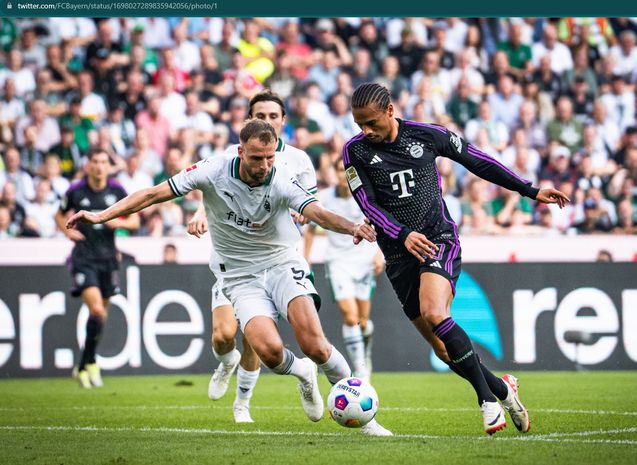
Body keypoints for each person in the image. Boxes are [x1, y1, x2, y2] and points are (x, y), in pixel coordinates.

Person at [66, 119, 392, 436]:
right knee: (270, 352)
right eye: (256, 158)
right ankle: (303, 374)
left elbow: (316, 212)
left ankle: (366, 419)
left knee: (316, 346)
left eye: (269, 157)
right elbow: (154, 194)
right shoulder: (212, 170)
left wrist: (352, 226)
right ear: (240, 151)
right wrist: (101, 216)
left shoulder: (281, 179)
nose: (264, 165)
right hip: (240, 276)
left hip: (281, 262)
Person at [345, 83, 569, 435]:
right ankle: (501, 388)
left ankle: (486, 401)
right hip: (398, 254)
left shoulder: (427, 135)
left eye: (371, 122)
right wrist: (402, 234)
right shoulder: (354, 151)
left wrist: (529, 189)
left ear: (390, 110)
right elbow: (367, 204)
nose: (366, 131)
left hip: (438, 239)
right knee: (443, 350)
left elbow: (478, 160)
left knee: (436, 313)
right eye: (360, 125)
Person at [187, 89, 317, 424]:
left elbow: (311, 209)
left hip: (275, 259)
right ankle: (226, 361)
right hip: (233, 259)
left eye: (274, 116)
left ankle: (242, 403)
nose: (268, 121)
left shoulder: (300, 160)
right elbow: (213, 187)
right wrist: (201, 211)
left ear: (283, 121)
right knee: (222, 335)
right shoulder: (236, 153)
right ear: (249, 119)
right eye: (261, 115)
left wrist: (305, 218)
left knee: (255, 337)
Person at [54, 149, 140, 388]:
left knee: (101, 316)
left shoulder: (117, 191)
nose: (100, 166)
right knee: (97, 312)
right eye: (96, 162)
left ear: (108, 167)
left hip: (109, 259)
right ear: (88, 165)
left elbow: (134, 220)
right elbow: (59, 215)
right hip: (84, 258)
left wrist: (118, 223)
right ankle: (88, 364)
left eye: (104, 162)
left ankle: (85, 363)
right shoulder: (75, 191)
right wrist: (68, 232)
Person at [304, 158, 384, 379]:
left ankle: (364, 351)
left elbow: (382, 225)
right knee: (350, 317)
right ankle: (360, 368)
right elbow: (311, 230)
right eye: (338, 170)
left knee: (363, 321)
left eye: (345, 171)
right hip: (338, 261)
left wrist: (379, 254)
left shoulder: (365, 197)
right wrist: (305, 260)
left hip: (365, 260)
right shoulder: (324, 198)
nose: (342, 175)